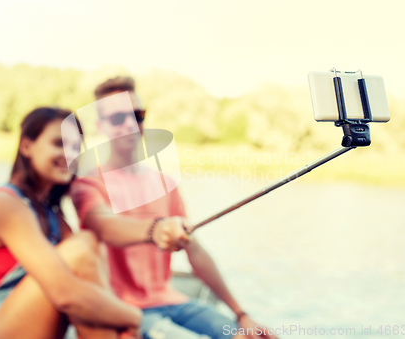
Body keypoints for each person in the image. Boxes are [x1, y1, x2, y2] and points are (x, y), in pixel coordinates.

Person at [0, 107, 187, 339]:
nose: (69, 155)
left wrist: (119, 320)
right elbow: (66, 295)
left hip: (4, 324)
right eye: (59, 143)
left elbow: (88, 275)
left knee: (87, 246)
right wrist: (137, 319)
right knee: (81, 251)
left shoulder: (50, 214)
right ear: (26, 146)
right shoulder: (5, 204)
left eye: (76, 147)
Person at [70, 77, 278, 339]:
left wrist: (241, 314)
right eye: (117, 118)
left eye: (137, 115)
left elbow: (196, 252)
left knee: (248, 336)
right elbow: (105, 227)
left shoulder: (165, 183)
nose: (130, 124)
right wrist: (156, 229)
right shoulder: (88, 183)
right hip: (125, 309)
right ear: (100, 125)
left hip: (173, 300)